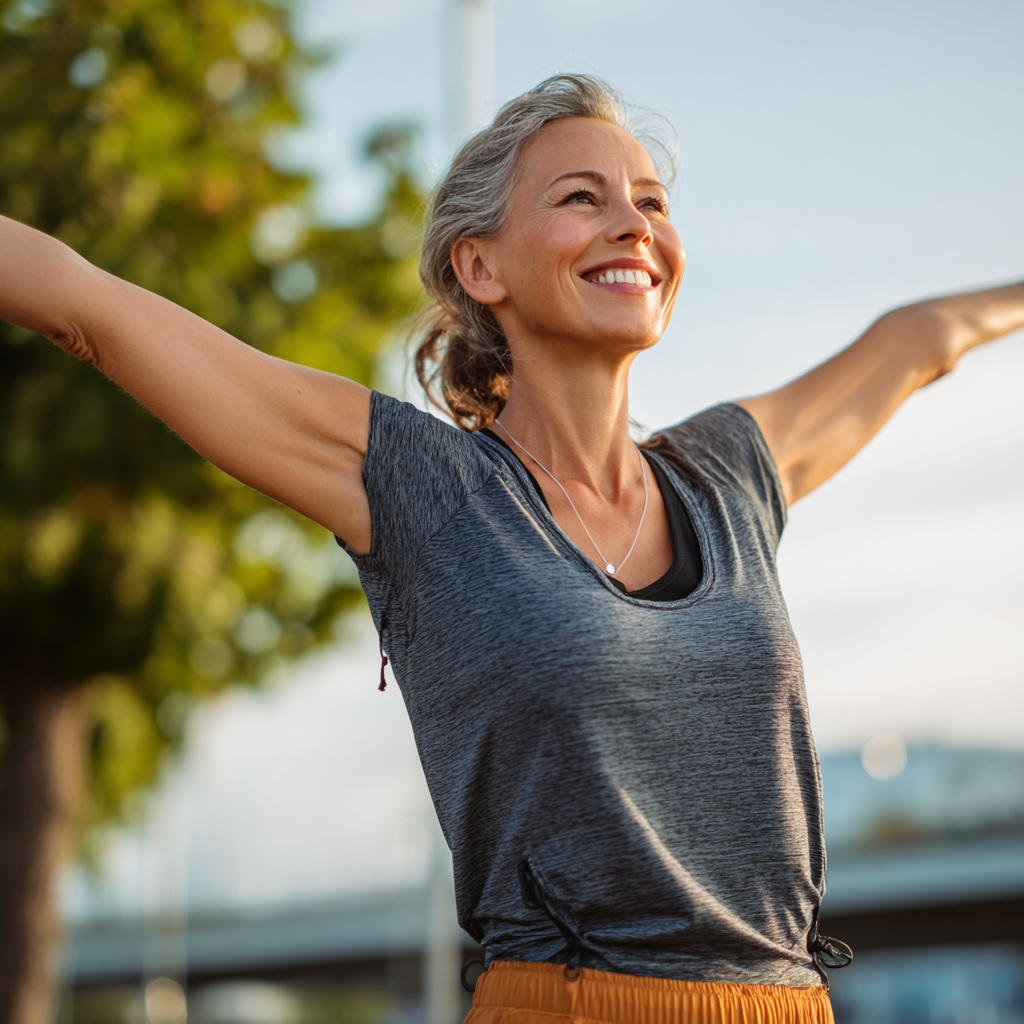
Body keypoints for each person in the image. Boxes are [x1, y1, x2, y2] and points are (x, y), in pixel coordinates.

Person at [1, 73, 1021, 1024]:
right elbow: (86, 306)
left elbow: (913, 342)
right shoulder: (422, 487)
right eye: (582, 197)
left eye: (653, 202)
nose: (634, 222)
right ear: (477, 265)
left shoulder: (728, 474)